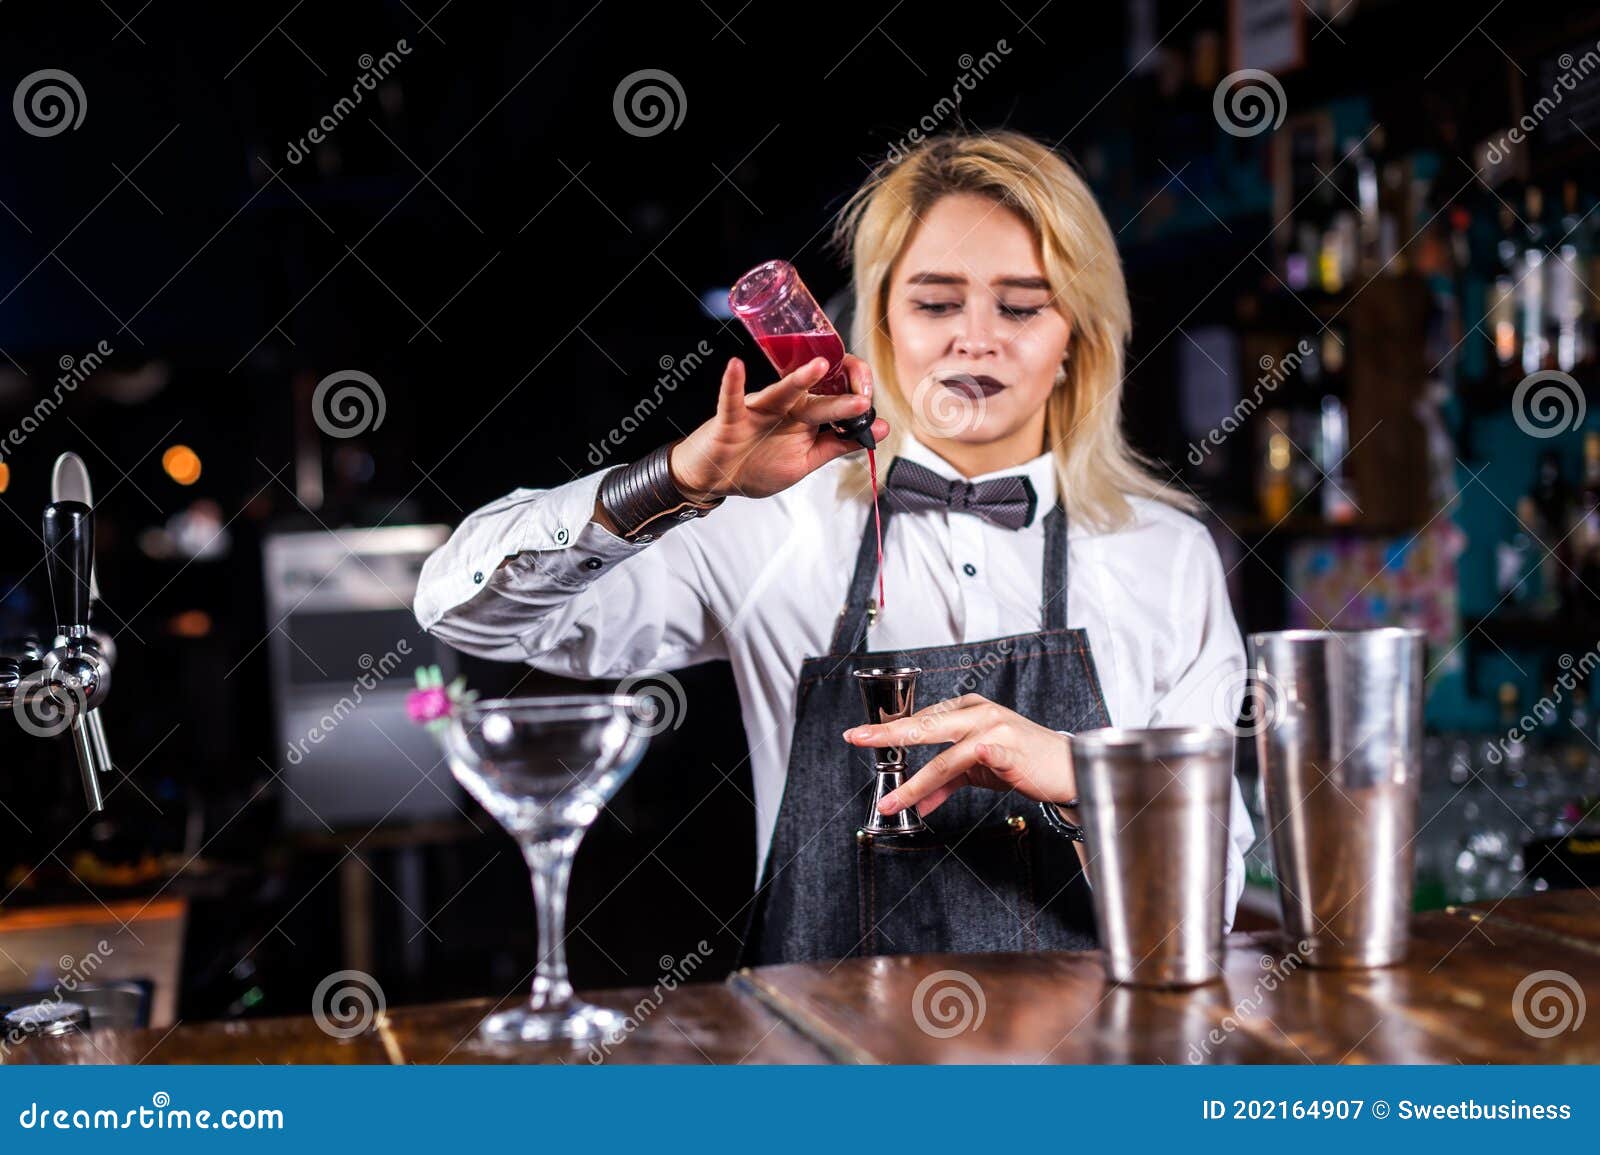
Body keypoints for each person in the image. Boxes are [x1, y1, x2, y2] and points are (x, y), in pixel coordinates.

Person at [414, 130, 1256, 965]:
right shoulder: (768, 523)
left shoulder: (1168, 556)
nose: (976, 336)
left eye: (1022, 305)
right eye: (935, 302)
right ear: (882, 323)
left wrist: (1085, 780)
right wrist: (674, 481)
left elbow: (1203, 911)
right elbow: (467, 612)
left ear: (1078, 335)